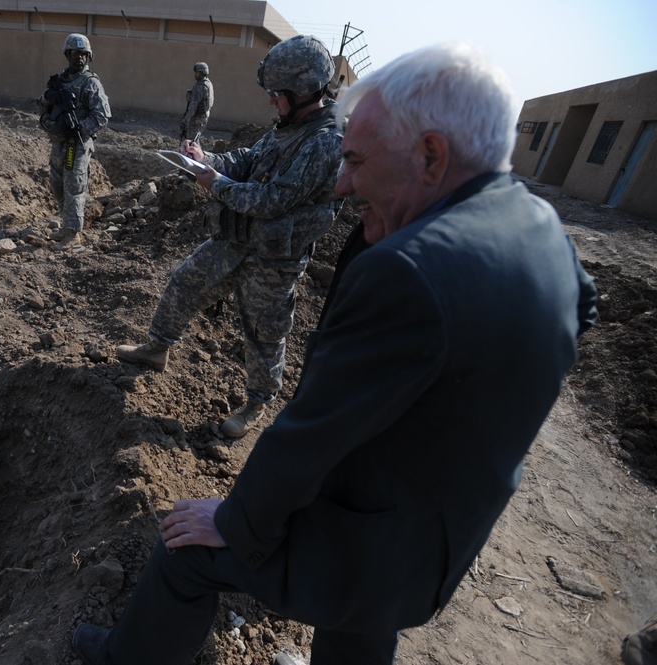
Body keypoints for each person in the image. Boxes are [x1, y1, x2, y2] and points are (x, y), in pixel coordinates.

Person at [74, 42, 598, 665]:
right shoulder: (542, 231)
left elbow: (311, 433)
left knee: (183, 555)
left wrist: (237, 523)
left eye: (355, 160)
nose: (344, 184)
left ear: (431, 155)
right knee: (363, 621)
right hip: (433, 543)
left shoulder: (409, 271)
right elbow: (579, 315)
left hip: (368, 541)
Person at [117, 35, 344, 438]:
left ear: (304, 90)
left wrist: (215, 183)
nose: (271, 101)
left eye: (278, 94)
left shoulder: (326, 142)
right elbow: (246, 160)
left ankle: (256, 405)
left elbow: (272, 200)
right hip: (237, 241)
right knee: (185, 281)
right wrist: (207, 160)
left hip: (275, 258)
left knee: (263, 332)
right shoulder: (286, 129)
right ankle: (157, 349)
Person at [37, 33, 111, 249]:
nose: (79, 58)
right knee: (57, 186)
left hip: (76, 144)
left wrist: (78, 129)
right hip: (58, 142)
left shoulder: (91, 83)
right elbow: (40, 107)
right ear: (67, 55)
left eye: (84, 54)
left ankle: (73, 234)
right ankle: (65, 226)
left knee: (74, 187)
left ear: (88, 57)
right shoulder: (58, 81)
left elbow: (101, 116)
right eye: (75, 53)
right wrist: (47, 99)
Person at [180, 61, 214, 144]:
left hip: (197, 117)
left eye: (197, 73)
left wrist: (185, 120)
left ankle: (194, 156)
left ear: (202, 73)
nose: (195, 75)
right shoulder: (208, 83)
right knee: (195, 139)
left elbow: (193, 106)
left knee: (191, 141)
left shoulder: (201, 87)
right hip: (203, 116)